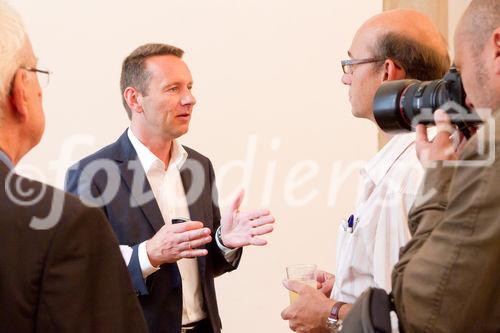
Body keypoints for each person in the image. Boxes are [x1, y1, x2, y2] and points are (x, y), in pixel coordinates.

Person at [65, 43, 275, 333]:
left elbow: (204, 265)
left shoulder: (198, 165)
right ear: (135, 99)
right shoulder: (91, 174)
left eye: (189, 86)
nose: (190, 99)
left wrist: (224, 241)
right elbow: (84, 275)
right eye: (173, 88)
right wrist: (150, 253)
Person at [281, 9, 450, 332]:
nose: (346, 77)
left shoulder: (404, 178)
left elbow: (405, 316)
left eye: (351, 65)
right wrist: (348, 285)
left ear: (387, 71)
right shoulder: (426, 162)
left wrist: (330, 312)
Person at [0, 2, 147, 332]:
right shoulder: (65, 224)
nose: (188, 100)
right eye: (36, 73)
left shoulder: (200, 166)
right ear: (20, 91)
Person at [389, 0, 500, 332]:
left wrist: (439, 178)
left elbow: (424, 309)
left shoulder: (492, 149)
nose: (465, 99)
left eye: (462, 69)